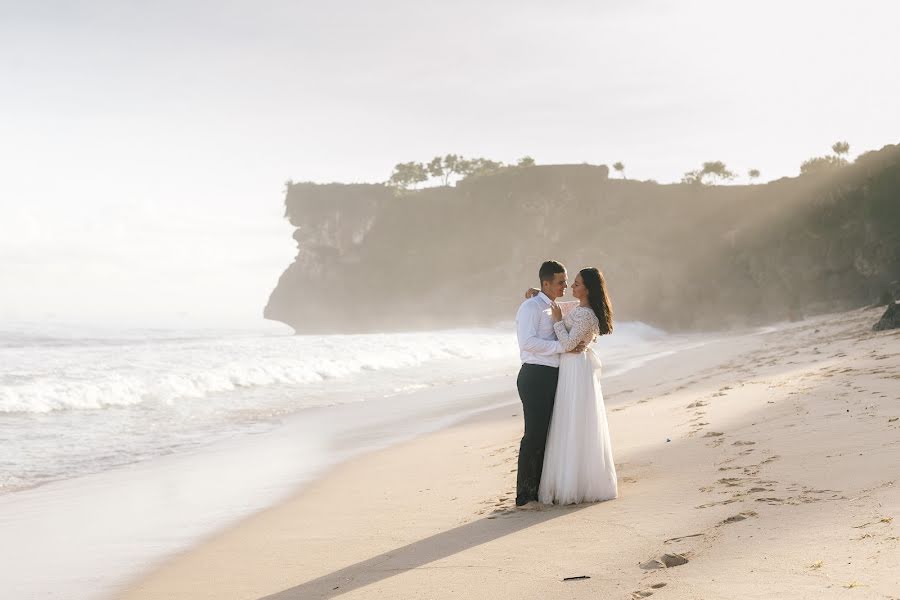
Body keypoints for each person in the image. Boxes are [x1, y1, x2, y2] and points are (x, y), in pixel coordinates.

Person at [535, 267, 618, 505]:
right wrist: (537, 292)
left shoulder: (586, 314)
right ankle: (570, 477)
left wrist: (558, 323)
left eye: (577, 284)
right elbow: (564, 307)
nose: (572, 286)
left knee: (574, 420)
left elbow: (569, 344)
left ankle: (576, 482)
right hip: (573, 367)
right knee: (571, 419)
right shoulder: (580, 308)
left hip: (575, 368)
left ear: (589, 289)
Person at [514, 260, 585, 507]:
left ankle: (541, 490)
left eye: (566, 281)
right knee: (534, 435)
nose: (565, 286)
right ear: (547, 283)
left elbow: (583, 305)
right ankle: (525, 496)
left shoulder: (555, 305)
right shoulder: (530, 307)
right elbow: (527, 342)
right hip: (534, 375)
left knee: (549, 434)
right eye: (560, 282)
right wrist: (563, 347)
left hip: (554, 375)